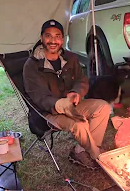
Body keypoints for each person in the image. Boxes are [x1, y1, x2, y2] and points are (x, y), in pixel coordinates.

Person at [23, 19, 111, 170]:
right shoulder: (32, 66)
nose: (53, 41)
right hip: (49, 112)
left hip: (72, 105)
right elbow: (40, 98)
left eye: (57, 36)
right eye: (48, 36)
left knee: (103, 107)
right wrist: (60, 104)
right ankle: (98, 156)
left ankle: (81, 151)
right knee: (80, 124)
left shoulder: (70, 58)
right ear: (42, 38)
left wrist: (75, 93)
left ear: (62, 39)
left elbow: (81, 80)